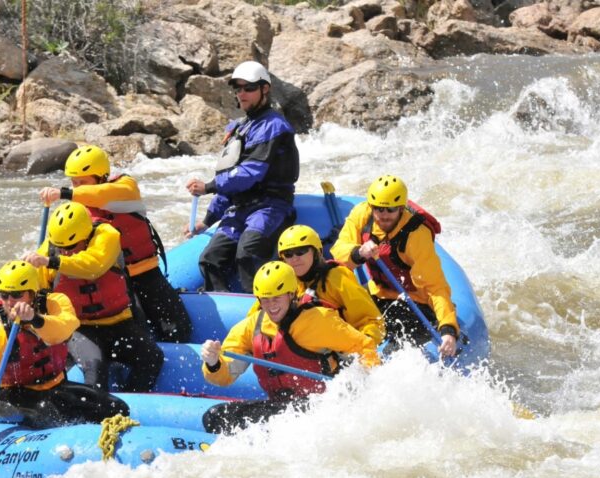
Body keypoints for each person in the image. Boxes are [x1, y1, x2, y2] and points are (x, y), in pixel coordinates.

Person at [0, 261, 129, 454]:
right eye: (4, 295)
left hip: (54, 386)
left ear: (33, 293)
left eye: (17, 295)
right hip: (15, 396)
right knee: (51, 413)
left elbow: (66, 327)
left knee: (117, 408)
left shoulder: (56, 303)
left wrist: (35, 319)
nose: (10, 302)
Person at [199, 261, 380, 434]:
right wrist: (213, 362)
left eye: (277, 298)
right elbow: (225, 376)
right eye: (265, 299)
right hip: (284, 409)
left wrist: (361, 391)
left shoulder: (319, 320)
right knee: (214, 417)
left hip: (323, 408)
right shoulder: (251, 327)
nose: (271, 305)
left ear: (291, 294)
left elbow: (365, 347)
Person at [39, 145, 192, 342]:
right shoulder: (77, 209)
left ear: (101, 177)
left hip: (143, 271)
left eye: (83, 182)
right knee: (137, 331)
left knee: (179, 328)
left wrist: (66, 193)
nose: (78, 187)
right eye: (74, 183)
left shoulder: (126, 188)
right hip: (113, 279)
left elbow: (102, 194)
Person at [23, 202, 164, 392]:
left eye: (71, 246)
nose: (65, 252)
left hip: (119, 322)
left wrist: (52, 261)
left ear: (86, 236)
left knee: (152, 356)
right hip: (80, 328)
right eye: (60, 247)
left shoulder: (107, 235)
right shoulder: (47, 253)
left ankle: (131, 399)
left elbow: (94, 266)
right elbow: (31, 290)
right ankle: (98, 415)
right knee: (95, 366)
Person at [185, 60, 299, 292]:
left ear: (264, 89)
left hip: (271, 207)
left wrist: (207, 187)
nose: (241, 94)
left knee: (247, 254)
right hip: (240, 209)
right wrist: (207, 220)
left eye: (248, 88)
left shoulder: (273, 125)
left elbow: (249, 173)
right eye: (237, 89)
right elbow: (230, 180)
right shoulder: (237, 128)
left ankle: (264, 312)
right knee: (210, 259)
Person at [330, 175, 459, 357]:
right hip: (378, 293)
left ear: (401, 208)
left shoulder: (416, 235)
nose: (384, 214)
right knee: (337, 315)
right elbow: (339, 253)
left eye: (390, 209)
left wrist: (448, 330)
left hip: (413, 302)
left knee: (396, 348)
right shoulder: (362, 214)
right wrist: (359, 252)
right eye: (379, 208)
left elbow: (435, 287)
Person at [270, 224, 385, 343]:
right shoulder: (282, 283)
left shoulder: (337, 278)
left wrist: (363, 348)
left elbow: (372, 321)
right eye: (288, 254)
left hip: (340, 349)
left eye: (301, 251)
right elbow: (259, 318)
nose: (294, 258)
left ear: (316, 252)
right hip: (302, 348)